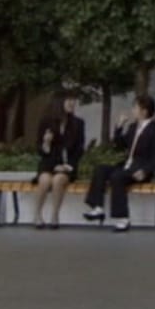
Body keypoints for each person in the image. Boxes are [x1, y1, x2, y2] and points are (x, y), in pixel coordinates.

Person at [82, 95, 155, 231]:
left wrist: (146, 171)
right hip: (126, 166)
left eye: (135, 107)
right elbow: (120, 145)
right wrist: (119, 127)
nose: (133, 110)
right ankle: (97, 207)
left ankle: (123, 218)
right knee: (101, 169)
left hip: (140, 171)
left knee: (117, 177)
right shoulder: (133, 127)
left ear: (144, 111)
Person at [31, 94, 86, 229]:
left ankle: (55, 216)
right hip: (49, 163)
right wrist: (46, 143)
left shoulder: (78, 123)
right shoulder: (46, 122)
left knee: (58, 180)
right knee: (45, 180)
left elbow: (79, 150)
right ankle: (37, 214)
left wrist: (67, 166)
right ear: (60, 102)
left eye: (73, 100)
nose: (72, 103)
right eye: (69, 100)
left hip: (67, 165)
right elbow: (41, 150)